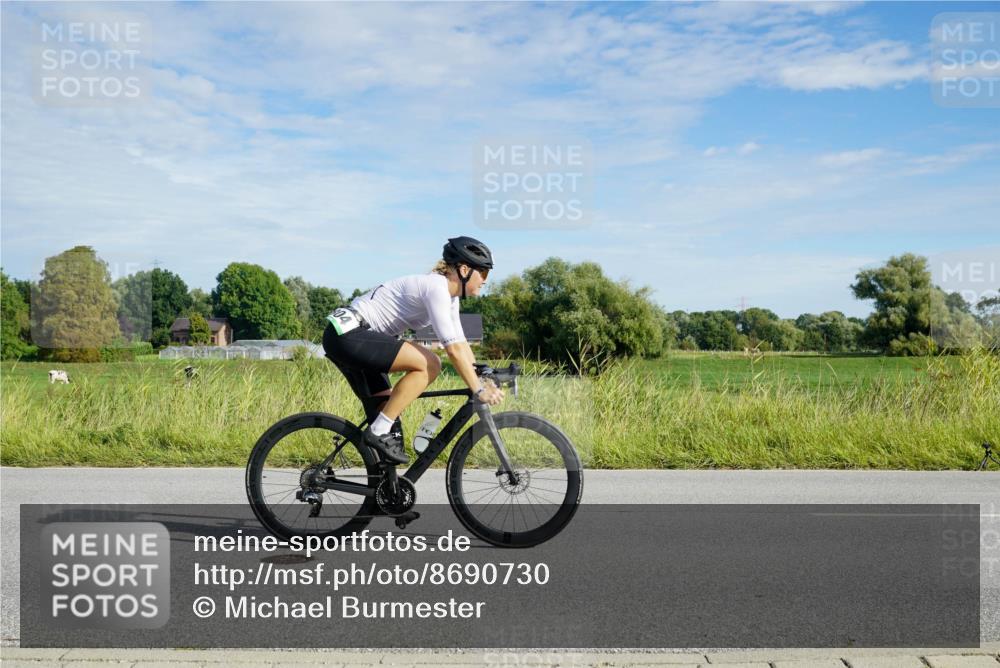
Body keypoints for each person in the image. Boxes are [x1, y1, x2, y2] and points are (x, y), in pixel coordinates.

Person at [322, 236, 504, 465]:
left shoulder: (450, 298)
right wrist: (478, 390)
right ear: (465, 269)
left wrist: (480, 372)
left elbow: (461, 343)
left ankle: (385, 492)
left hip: (357, 337)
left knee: (390, 417)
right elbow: (453, 350)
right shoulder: (436, 288)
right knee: (430, 364)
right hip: (348, 335)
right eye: (484, 274)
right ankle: (377, 430)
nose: (485, 281)